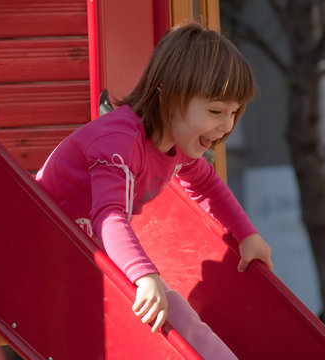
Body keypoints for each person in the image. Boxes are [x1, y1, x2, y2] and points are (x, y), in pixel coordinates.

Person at [36, 22, 273, 359]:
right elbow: (108, 215)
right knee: (166, 307)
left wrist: (246, 233)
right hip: (48, 255)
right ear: (170, 96)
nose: (226, 126)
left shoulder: (174, 143)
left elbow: (206, 184)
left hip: (85, 254)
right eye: (216, 111)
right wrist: (145, 275)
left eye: (234, 112)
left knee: (171, 310)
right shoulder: (118, 143)